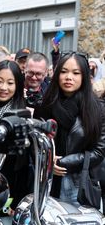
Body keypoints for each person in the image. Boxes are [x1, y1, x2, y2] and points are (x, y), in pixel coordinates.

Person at [34, 52, 105, 206]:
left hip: (81, 182)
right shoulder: (45, 105)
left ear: (84, 76)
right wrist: (48, 162)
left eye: (76, 73)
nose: (69, 77)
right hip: (47, 180)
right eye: (64, 72)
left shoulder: (97, 109)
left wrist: (65, 162)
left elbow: (99, 151)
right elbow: (36, 142)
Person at [0, 61, 30, 213]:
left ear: (17, 85)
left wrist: (15, 201)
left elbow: (22, 165)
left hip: (6, 194)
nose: (4, 87)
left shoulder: (22, 117)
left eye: (10, 83)